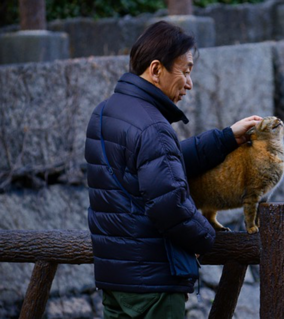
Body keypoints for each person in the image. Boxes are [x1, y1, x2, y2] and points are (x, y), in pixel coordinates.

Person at [84, 21, 261, 318]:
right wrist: (206, 239)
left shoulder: (106, 112)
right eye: (186, 71)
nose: (189, 83)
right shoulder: (153, 126)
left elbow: (163, 163)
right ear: (156, 70)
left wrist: (227, 137)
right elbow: (170, 206)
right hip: (154, 286)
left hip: (115, 281)